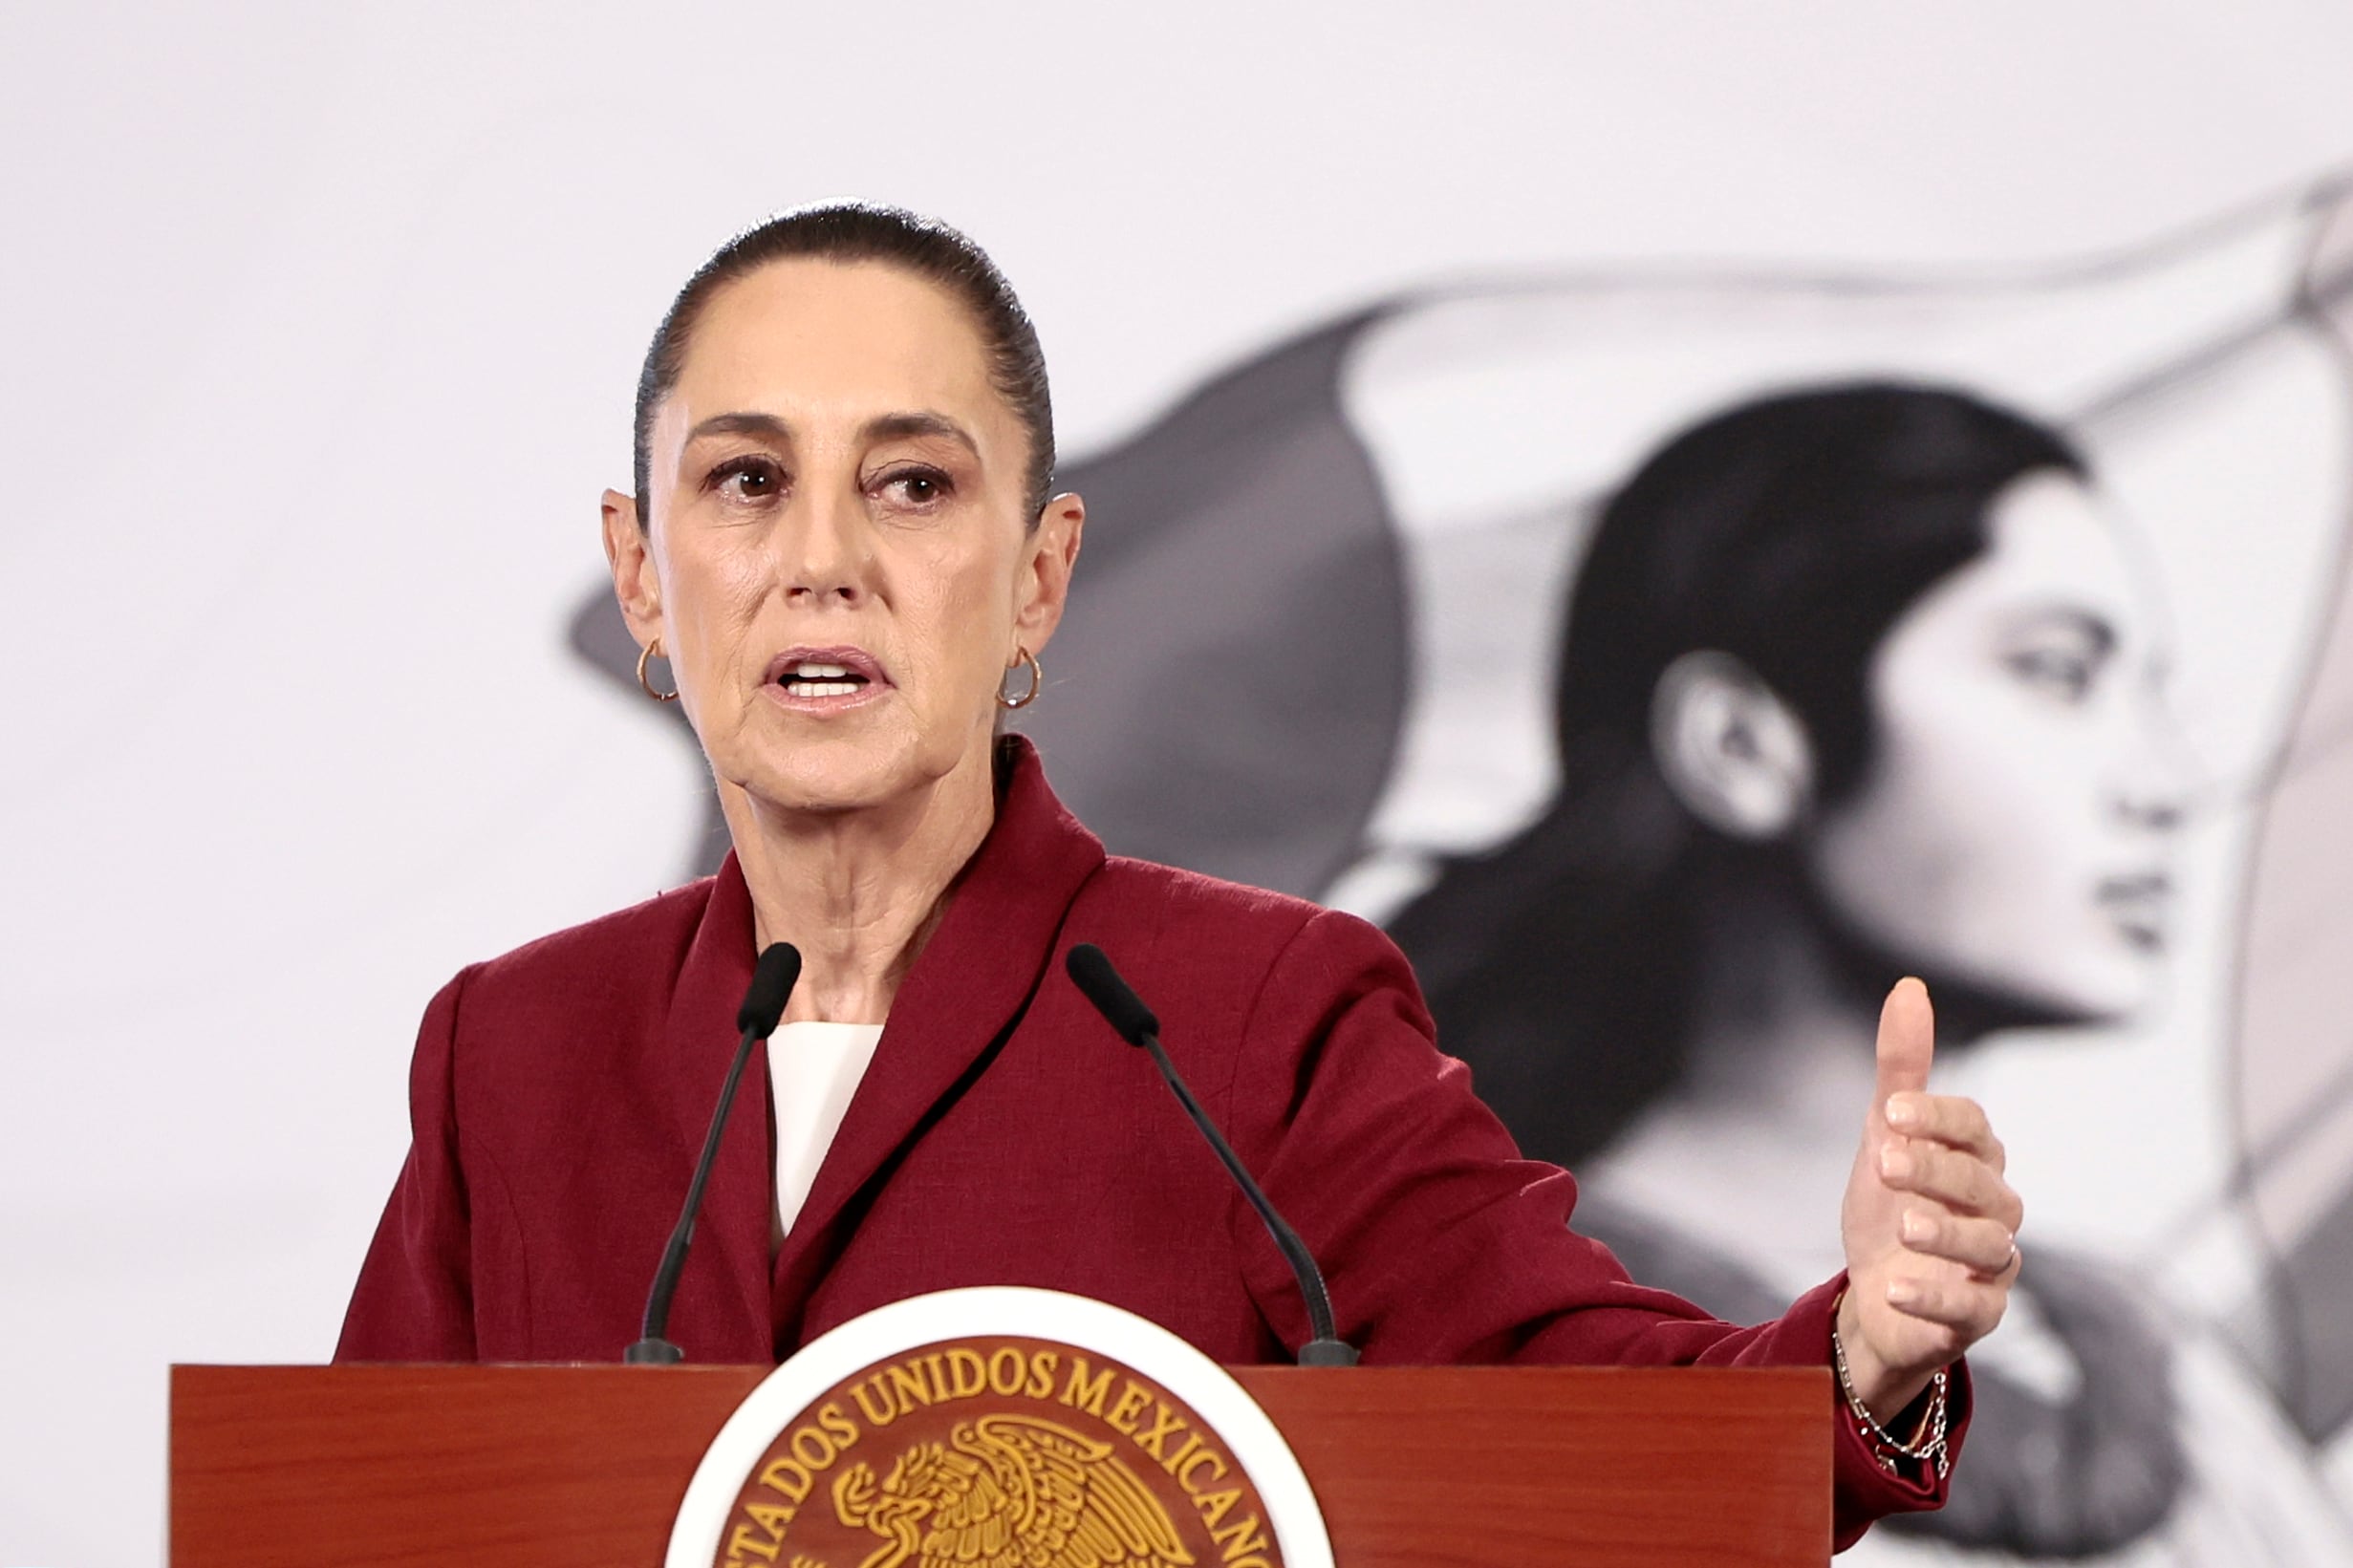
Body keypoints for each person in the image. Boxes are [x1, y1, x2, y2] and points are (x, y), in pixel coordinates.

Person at [336, 204, 2023, 1548]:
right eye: (747, 482)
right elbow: (356, 1525)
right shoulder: (514, 1050)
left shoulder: (1241, 1016)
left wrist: (1854, 1359)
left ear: (1039, 579)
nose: (824, 562)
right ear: (644, 576)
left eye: (912, 485)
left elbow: (1577, 1415)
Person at [1390, 385, 2353, 1560]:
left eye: (2150, 692)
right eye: (2056, 672)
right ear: (1738, 745)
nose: (2161, 781)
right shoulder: (1488, 1348)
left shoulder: (2159, 1371)